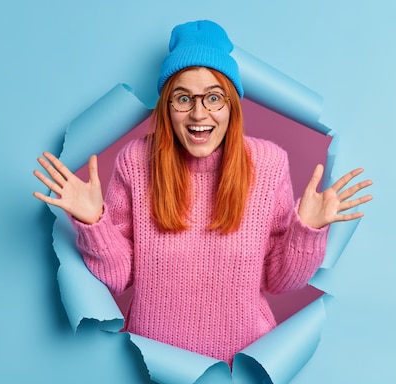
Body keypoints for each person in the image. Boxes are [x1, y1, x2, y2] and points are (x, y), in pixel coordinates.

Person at [33, 20, 372, 364]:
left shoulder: (268, 164)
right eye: (184, 98)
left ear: (231, 106)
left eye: (213, 97)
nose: (199, 114)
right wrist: (93, 223)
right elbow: (119, 279)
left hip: (239, 368)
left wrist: (307, 231)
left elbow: (279, 281)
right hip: (154, 362)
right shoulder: (136, 161)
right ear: (167, 106)